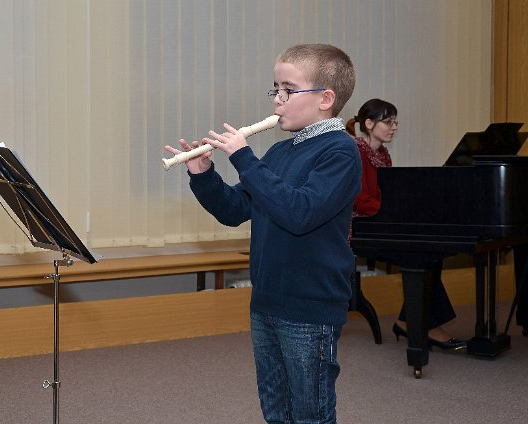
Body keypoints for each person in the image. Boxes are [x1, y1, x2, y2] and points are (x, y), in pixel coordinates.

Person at [165, 44, 360, 424]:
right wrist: (203, 175)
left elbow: (299, 212)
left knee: (310, 414)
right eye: (275, 89)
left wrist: (243, 157)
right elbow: (235, 210)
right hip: (267, 300)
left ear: (325, 98)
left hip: (309, 306)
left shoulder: (340, 152)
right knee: (276, 410)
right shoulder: (280, 153)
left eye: (288, 90)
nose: (277, 101)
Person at [346, 98, 465, 351]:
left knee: (430, 252)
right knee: (419, 255)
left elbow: (388, 194)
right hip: (358, 229)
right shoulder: (355, 151)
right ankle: (418, 324)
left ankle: (409, 321)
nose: (394, 127)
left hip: (378, 224)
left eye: (395, 122)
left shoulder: (383, 154)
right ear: (369, 124)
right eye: (388, 122)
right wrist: (391, 211)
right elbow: (359, 198)